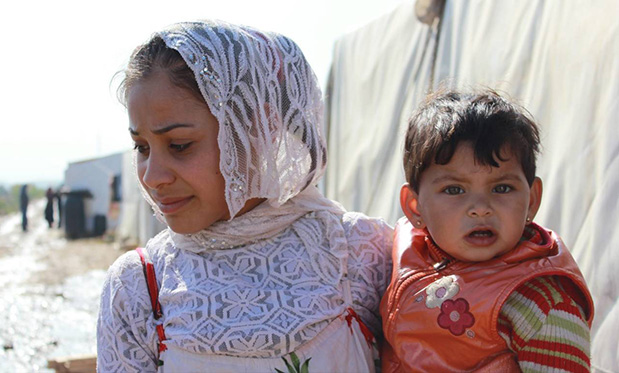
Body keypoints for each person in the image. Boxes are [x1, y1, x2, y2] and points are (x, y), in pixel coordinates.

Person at [97, 20, 393, 372]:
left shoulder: (359, 255)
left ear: (256, 131)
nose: (153, 176)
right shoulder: (138, 288)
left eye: (179, 145)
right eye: (142, 147)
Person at [380, 89, 594, 372]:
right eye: (454, 190)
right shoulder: (395, 253)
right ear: (415, 207)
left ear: (531, 200)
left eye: (501, 188)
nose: (481, 208)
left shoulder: (542, 303)